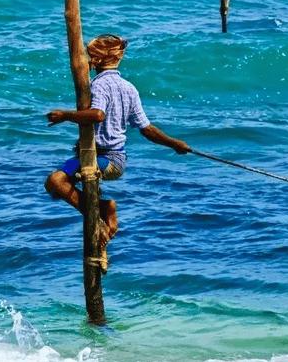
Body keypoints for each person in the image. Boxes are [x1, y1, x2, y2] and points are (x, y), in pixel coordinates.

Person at [44, 33, 191, 253]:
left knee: (57, 182)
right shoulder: (129, 87)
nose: (86, 61)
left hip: (106, 158)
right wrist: (174, 144)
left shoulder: (99, 85)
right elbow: (147, 129)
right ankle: (101, 208)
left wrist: (65, 115)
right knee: (53, 185)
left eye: (89, 56)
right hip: (113, 159)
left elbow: (97, 115)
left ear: (98, 59)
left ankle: (103, 210)